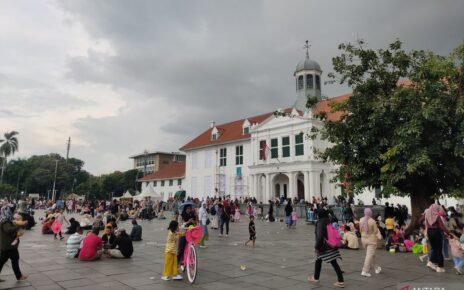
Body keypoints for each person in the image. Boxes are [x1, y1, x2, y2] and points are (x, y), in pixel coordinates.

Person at [308, 208, 344, 288]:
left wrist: (316, 247)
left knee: (333, 262)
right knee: (319, 260)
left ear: (319, 215)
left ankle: (341, 281)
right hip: (331, 244)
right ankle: (316, 277)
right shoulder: (328, 220)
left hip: (325, 247)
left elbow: (320, 237)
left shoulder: (320, 223)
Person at [0, 205, 28, 281]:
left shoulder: (7, 220)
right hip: (8, 246)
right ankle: (19, 276)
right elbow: (8, 230)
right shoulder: (4, 221)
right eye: (12, 210)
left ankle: (19, 276)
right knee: (5, 261)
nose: (14, 212)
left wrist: (20, 224)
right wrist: (20, 225)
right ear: (7, 212)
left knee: (13, 259)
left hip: (10, 245)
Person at [425, 203, 450, 272]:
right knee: (439, 249)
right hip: (436, 232)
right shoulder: (436, 216)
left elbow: (421, 221)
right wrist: (449, 233)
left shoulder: (427, 215)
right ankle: (440, 267)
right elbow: (442, 226)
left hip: (429, 232)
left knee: (434, 248)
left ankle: (431, 262)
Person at [360, 208, 382, 277]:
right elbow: (375, 231)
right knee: (369, 255)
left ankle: (376, 268)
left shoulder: (361, 219)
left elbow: (360, 230)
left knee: (371, 255)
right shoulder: (372, 221)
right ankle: (364, 270)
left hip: (364, 239)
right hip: (371, 240)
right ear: (370, 213)